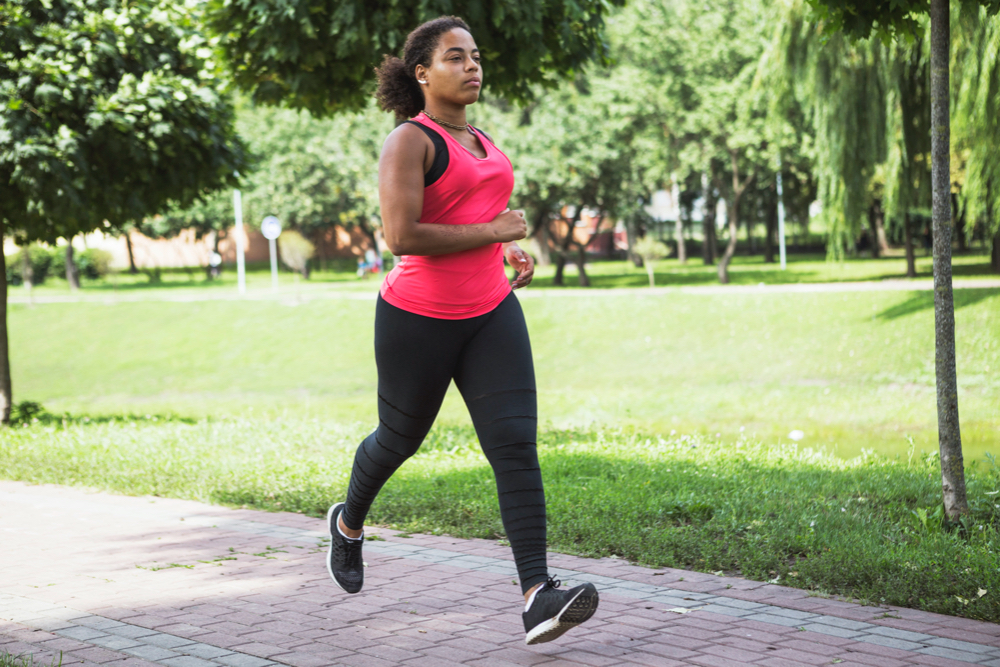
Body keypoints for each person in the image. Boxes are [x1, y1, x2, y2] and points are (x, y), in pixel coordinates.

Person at [324, 15, 599, 645]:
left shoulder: (480, 137)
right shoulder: (409, 142)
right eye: (455, 57)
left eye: (475, 56)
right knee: (399, 439)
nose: (472, 66)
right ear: (422, 73)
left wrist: (504, 252)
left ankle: (537, 594)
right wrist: (497, 233)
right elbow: (402, 235)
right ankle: (348, 523)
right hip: (417, 318)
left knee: (513, 444)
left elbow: (475, 210)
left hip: (491, 311)